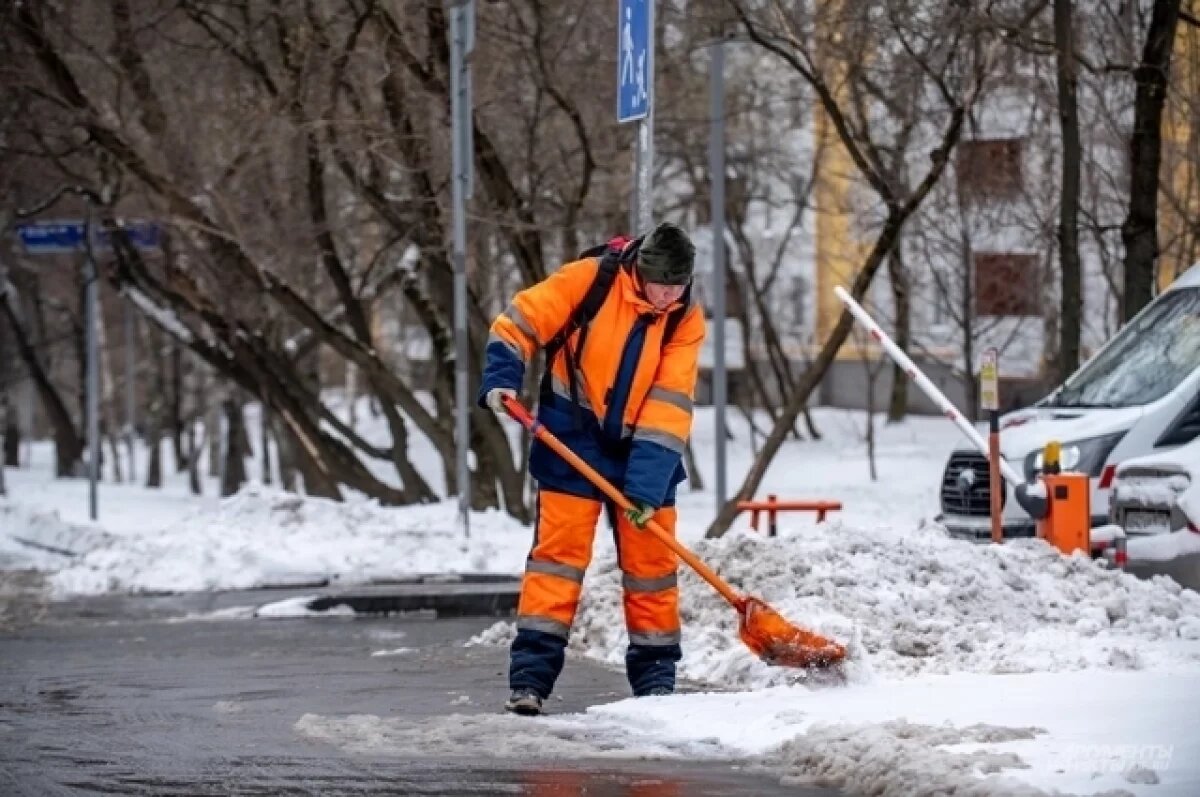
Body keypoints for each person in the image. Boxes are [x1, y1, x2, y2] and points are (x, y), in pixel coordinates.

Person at [479, 221, 705, 716]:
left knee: (653, 573)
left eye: (678, 286)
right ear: (640, 273)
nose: (668, 295)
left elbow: (669, 405)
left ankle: (656, 687)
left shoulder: (686, 318)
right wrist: (502, 378)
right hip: (570, 439)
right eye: (661, 285)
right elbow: (517, 323)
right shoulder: (590, 280)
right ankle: (530, 682)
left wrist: (644, 487)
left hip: (645, 451)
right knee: (557, 565)